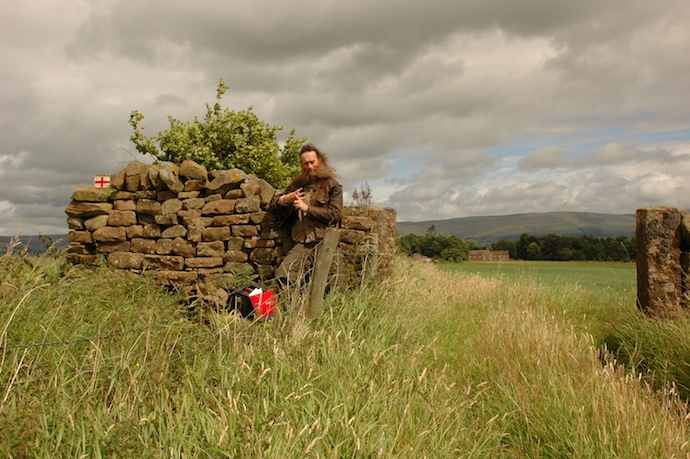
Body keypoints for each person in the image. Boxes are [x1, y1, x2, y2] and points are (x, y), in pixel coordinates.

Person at [270, 142, 343, 288]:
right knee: (283, 275)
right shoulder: (297, 185)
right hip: (302, 243)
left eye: (312, 162)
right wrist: (286, 199)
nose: (309, 166)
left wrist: (307, 209)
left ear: (320, 161)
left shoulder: (332, 185)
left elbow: (336, 214)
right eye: (306, 163)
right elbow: (273, 204)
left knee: (333, 284)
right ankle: (294, 308)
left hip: (326, 242)